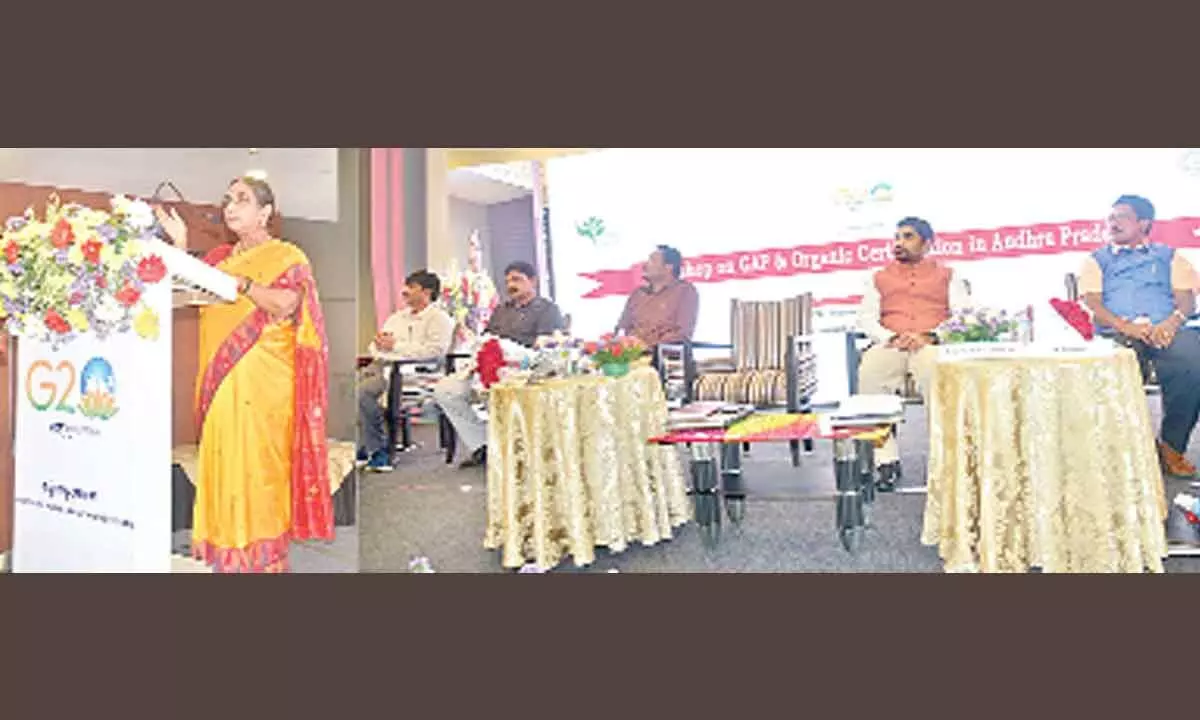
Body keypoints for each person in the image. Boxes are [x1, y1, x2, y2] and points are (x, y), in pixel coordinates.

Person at [154, 177, 334, 574]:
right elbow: (186, 284)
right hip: (220, 381)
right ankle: (230, 555)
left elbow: (286, 304)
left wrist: (243, 284)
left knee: (258, 470)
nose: (230, 207)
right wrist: (180, 246)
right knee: (223, 461)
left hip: (265, 381)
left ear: (266, 212)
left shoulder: (287, 255)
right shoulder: (219, 258)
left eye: (242, 200)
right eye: (227, 200)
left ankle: (265, 560)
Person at [1078, 195, 1200, 478]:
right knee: (1108, 363)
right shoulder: (1096, 261)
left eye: (1121, 217)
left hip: (1165, 329)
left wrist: (1170, 324)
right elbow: (1093, 304)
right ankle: (1117, 453)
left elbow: (1186, 301)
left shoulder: (1170, 257)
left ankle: (1171, 447)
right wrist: (1126, 326)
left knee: (1192, 359)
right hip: (1117, 331)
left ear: (1143, 223)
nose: (1112, 223)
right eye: (1110, 218)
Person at [857, 217, 970, 492]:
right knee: (869, 373)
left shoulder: (949, 275)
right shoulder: (877, 277)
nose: (899, 243)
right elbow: (866, 319)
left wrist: (930, 335)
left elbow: (963, 314)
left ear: (927, 243)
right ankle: (885, 461)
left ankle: (944, 459)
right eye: (896, 237)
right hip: (891, 343)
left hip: (930, 344)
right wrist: (890, 337)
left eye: (908, 237)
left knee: (939, 375)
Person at [433, 261, 566, 468]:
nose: (511, 285)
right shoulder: (502, 310)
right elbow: (487, 338)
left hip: (523, 369)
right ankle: (483, 445)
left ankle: (517, 449)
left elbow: (546, 349)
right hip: (488, 367)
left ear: (532, 281)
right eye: (508, 281)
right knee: (445, 391)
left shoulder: (547, 309)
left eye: (517, 280)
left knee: (498, 389)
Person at [357, 270, 454, 472]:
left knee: (364, 393)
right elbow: (375, 346)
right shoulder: (396, 318)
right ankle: (367, 444)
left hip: (417, 373)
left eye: (411, 287)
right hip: (383, 366)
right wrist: (384, 347)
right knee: (347, 388)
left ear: (426, 292)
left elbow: (434, 351)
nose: (405, 291)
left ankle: (379, 451)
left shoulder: (440, 319)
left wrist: (396, 347)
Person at [615, 245, 700, 347]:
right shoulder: (638, 294)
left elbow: (681, 334)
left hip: (664, 358)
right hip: (632, 357)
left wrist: (647, 346)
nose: (645, 265)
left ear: (668, 267)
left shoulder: (685, 292)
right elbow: (622, 328)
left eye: (652, 261)